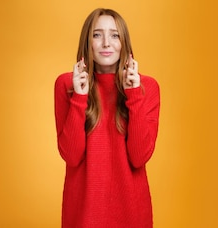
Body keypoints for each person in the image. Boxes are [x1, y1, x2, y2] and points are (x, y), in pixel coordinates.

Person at [53, 8, 160, 228]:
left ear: (124, 43)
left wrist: (133, 95)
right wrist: (79, 97)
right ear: (87, 42)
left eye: (114, 35)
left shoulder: (147, 88)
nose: (106, 43)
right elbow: (71, 156)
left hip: (131, 214)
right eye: (97, 34)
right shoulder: (66, 85)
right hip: (83, 216)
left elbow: (139, 157)